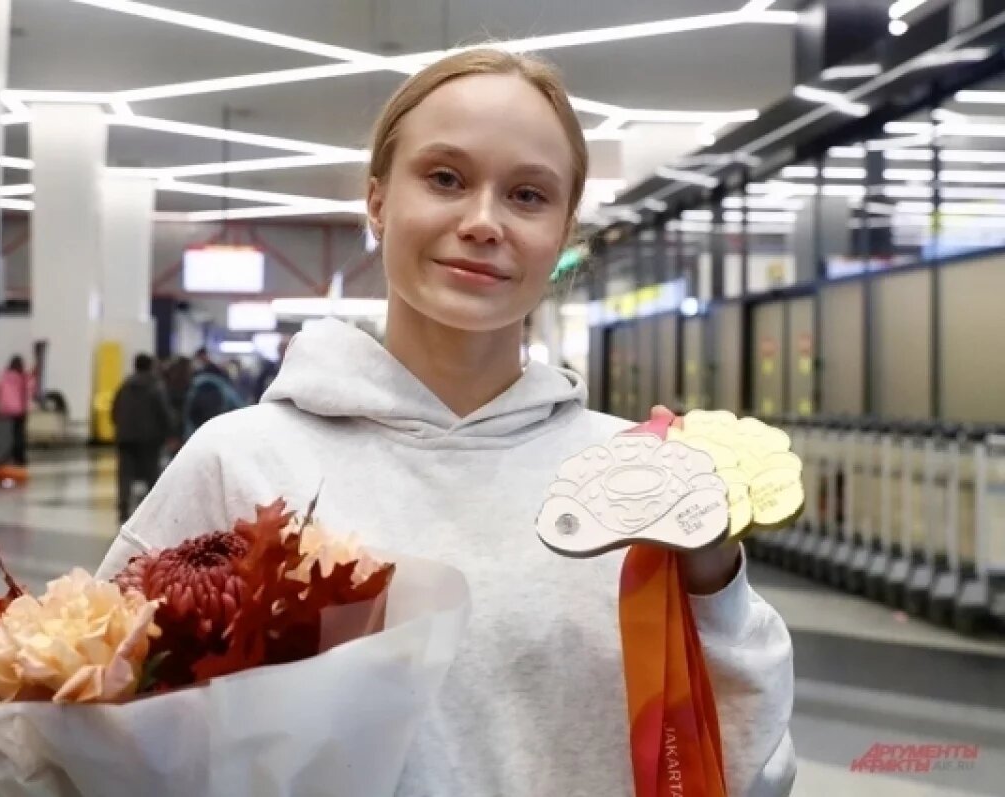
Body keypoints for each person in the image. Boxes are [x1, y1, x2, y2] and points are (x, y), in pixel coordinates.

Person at [96, 50, 793, 797]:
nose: (483, 222)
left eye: (527, 195)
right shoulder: (242, 461)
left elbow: (750, 764)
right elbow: (86, 708)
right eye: (445, 179)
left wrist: (710, 577)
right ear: (377, 201)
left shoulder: (629, 479)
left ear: (564, 233)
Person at [111, 353, 174, 522]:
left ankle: (123, 507)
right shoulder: (156, 386)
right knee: (151, 474)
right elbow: (163, 411)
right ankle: (152, 510)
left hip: (125, 437)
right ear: (151, 366)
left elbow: (115, 410)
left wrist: (120, 427)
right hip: (149, 439)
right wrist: (169, 432)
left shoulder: (125, 385)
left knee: (124, 475)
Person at [0, 355, 32, 467]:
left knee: (5, 435)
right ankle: (19, 458)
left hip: (5, 410)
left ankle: (5, 457)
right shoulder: (23, 377)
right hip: (20, 410)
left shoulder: (3, 376)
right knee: (19, 434)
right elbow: (30, 390)